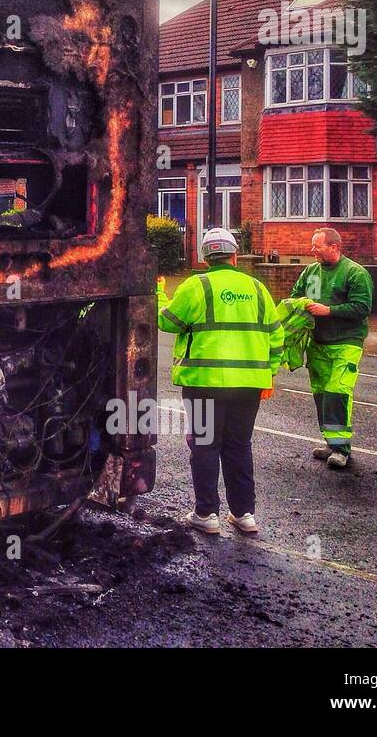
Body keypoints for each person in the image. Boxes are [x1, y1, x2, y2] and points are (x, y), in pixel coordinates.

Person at [157, 228, 284, 535]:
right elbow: (277, 335)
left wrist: (159, 292)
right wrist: (270, 373)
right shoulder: (257, 287)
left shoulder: (195, 285)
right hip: (249, 384)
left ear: (205, 258)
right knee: (239, 446)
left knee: (204, 446)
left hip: (205, 382)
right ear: (234, 255)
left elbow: (166, 321)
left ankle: (206, 514)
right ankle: (244, 514)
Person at [292, 228, 372, 470]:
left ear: (335, 247)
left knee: (337, 391)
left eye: (318, 246)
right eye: (312, 245)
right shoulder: (310, 271)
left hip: (346, 342)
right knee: (322, 394)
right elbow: (295, 295)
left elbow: (362, 307)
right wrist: (300, 304)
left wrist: (329, 310)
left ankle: (341, 449)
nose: (312, 250)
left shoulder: (355, 273)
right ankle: (331, 441)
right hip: (317, 342)